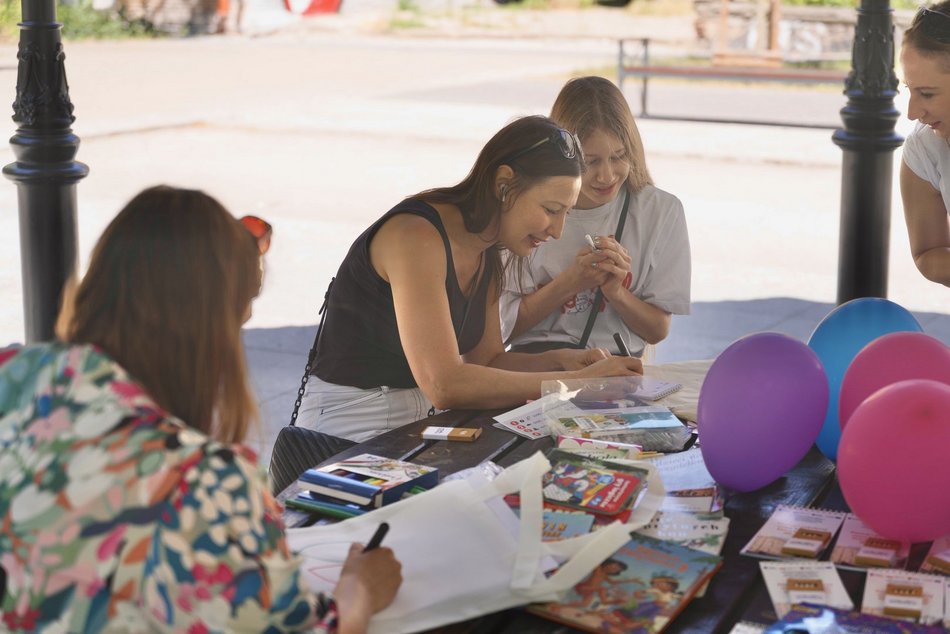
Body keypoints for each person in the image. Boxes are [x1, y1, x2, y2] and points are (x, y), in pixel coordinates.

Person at [0, 186, 401, 633]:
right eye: (238, 323)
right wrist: (358, 592)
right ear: (209, 329)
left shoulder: (11, 376)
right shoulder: (205, 481)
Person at [298, 115, 644, 442]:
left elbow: (488, 361)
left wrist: (563, 360)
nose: (557, 230)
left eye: (566, 213)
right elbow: (445, 384)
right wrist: (572, 382)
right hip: (346, 425)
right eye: (551, 210)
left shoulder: (487, 251)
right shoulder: (416, 236)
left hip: (417, 423)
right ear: (504, 184)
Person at [500, 76, 691, 359]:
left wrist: (617, 291)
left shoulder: (661, 211)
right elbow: (499, 331)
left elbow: (657, 330)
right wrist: (572, 281)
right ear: (564, 155)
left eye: (618, 156)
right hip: (537, 368)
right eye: (591, 162)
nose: (607, 176)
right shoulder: (526, 208)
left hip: (617, 370)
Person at [899, 2, 950, 287]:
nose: (912, 112)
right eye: (909, 89)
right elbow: (927, 253)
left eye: (927, 94)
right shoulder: (925, 147)